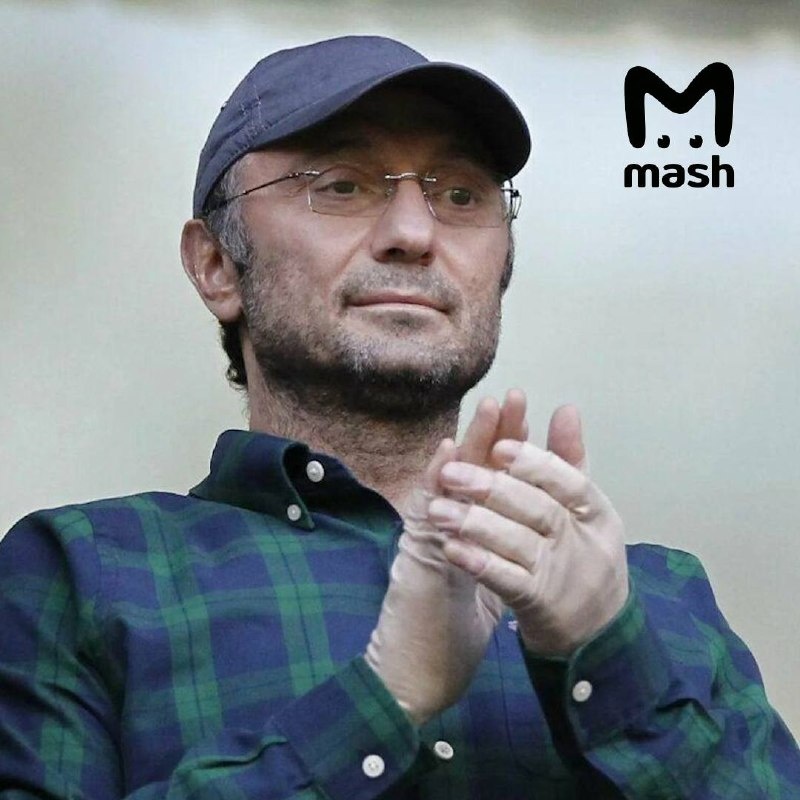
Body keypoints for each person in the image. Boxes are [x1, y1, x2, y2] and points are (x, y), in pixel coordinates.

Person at [0, 34, 797, 800]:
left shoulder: (656, 598)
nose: (414, 233)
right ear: (216, 265)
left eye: (460, 195)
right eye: (342, 185)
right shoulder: (84, 572)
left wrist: (608, 657)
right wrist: (383, 699)